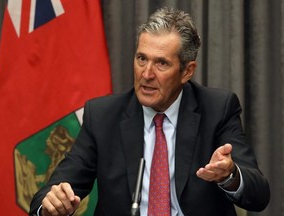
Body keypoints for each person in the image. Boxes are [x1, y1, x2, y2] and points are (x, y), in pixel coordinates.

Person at [29, 7, 270, 216]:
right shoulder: (102, 116)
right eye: (141, 59)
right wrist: (51, 204)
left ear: (187, 71)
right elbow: (48, 194)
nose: (146, 74)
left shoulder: (217, 109)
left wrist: (229, 175)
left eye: (161, 63)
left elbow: (258, 195)